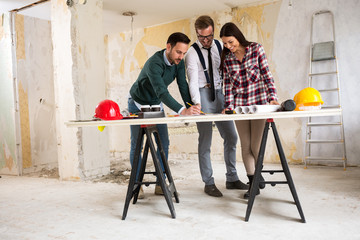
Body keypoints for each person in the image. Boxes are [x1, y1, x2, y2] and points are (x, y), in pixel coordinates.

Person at [128, 32, 201, 198]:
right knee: (137, 144)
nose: (181, 56)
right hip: (137, 102)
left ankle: (161, 182)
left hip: (155, 103)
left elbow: (183, 86)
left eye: (183, 53)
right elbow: (162, 92)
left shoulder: (178, 62)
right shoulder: (155, 63)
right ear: (168, 47)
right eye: (178, 52)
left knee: (163, 142)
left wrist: (192, 107)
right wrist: (182, 111)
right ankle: (136, 185)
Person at [185, 16, 248, 198]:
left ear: (213, 31)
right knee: (205, 140)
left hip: (221, 93)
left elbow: (227, 72)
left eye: (209, 36)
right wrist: (197, 104)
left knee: (231, 136)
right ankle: (209, 182)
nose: (206, 41)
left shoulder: (220, 46)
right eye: (201, 37)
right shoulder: (192, 53)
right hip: (202, 94)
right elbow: (193, 81)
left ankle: (232, 178)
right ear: (197, 34)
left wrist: (230, 99)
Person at [219, 22, 279, 199]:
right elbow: (228, 85)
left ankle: (257, 173)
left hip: (259, 105)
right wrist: (228, 106)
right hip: (240, 108)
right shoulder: (228, 59)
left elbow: (267, 75)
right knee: (245, 146)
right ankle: (253, 184)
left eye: (231, 42)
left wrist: (272, 97)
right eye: (225, 44)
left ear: (238, 36)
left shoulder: (256, 49)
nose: (229, 46)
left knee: (255, 145)